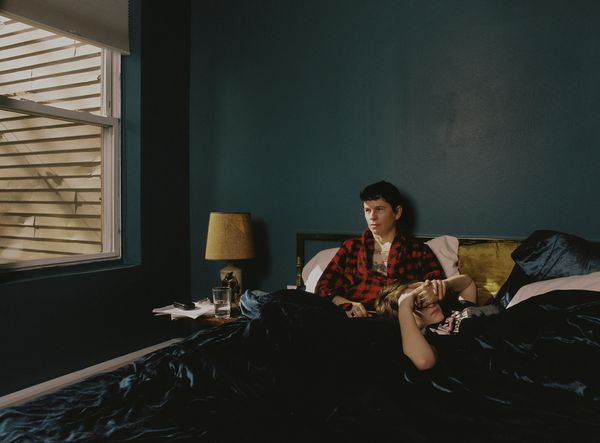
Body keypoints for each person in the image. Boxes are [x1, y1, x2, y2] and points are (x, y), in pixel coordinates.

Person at [315, 180, 444, 318]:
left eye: (379, 209)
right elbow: (322, 288)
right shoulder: (351, 247)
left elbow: (439, 288)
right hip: (350, 318)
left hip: (392, 319)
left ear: (397, 212)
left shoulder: (418, 251)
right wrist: (347, 304)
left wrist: (426, 293)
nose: (372, 217)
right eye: (367, 210)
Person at [376, 274, 499, 370]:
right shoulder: (426, 339)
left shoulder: (453, 307)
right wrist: (405, 306)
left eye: (425, 296)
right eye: (417, 304)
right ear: (404, 318)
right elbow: (423, 361)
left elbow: (467, 283)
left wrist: (444, 285)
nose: (429, 303)